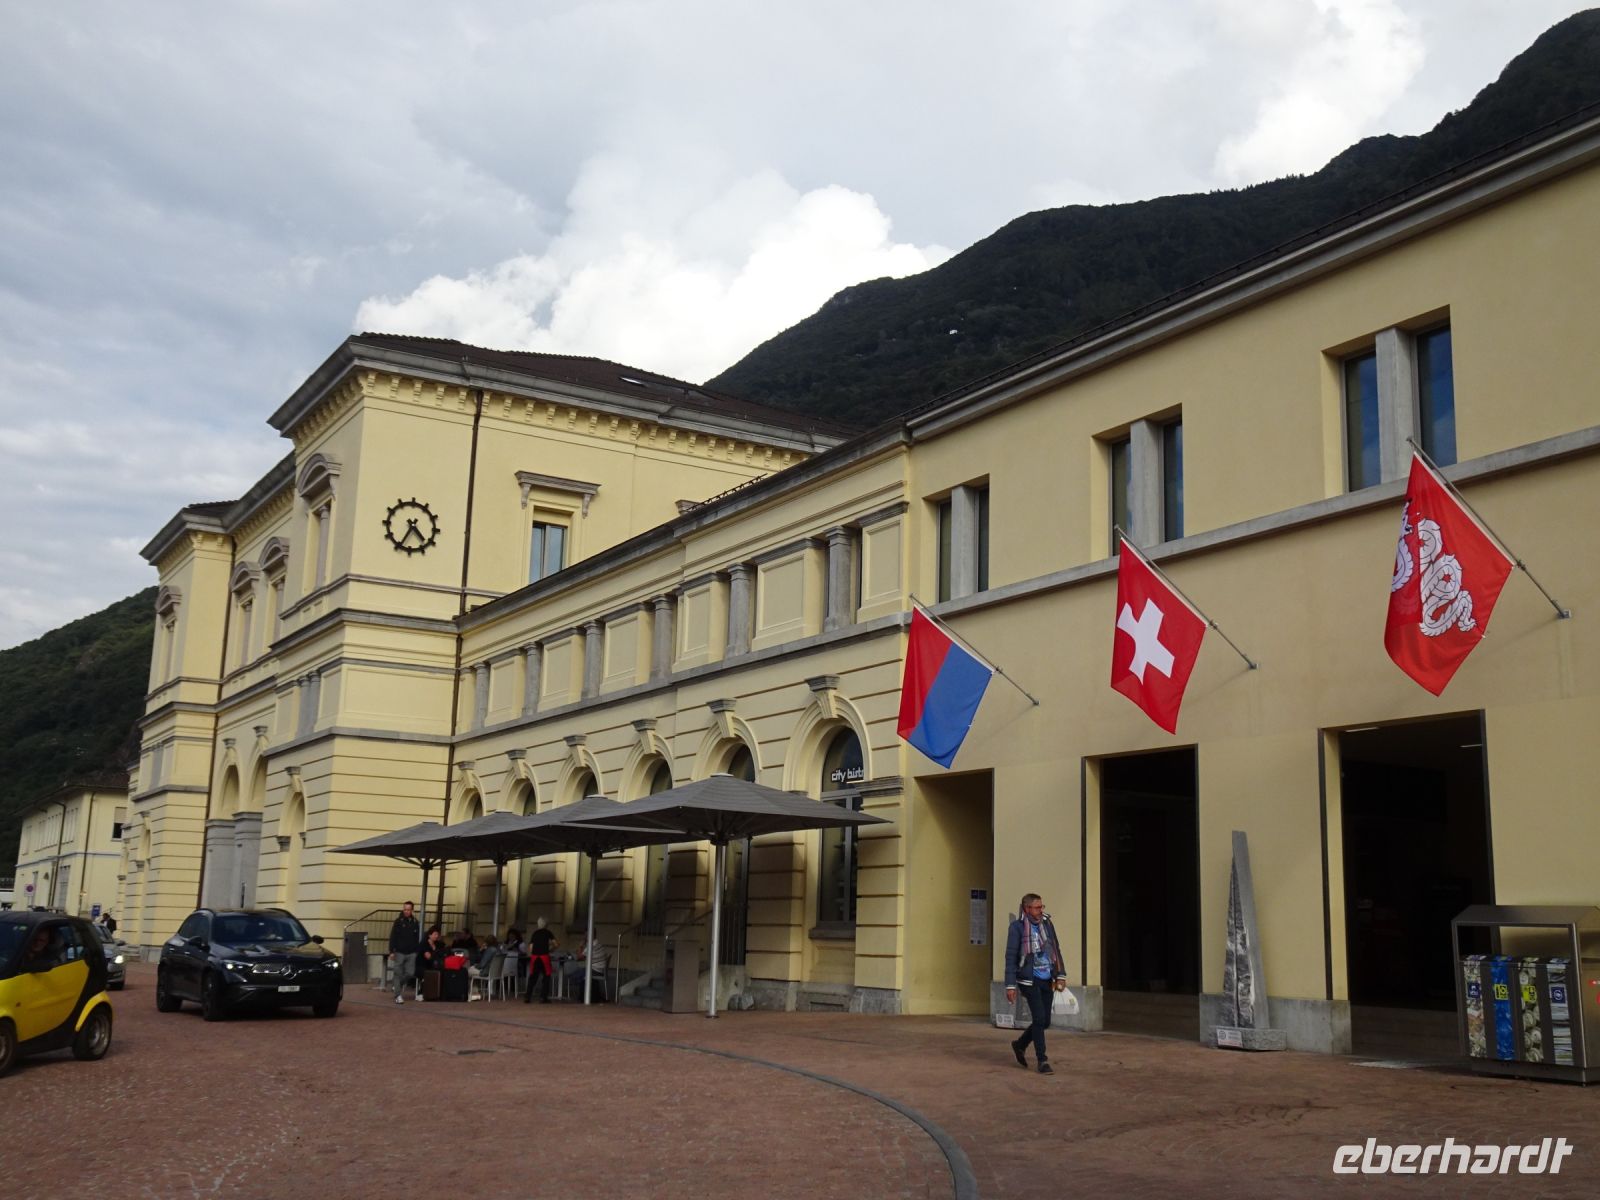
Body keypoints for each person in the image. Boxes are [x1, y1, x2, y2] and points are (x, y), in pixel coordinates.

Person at [1004, 893, 1067, 1075]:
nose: (1041, 911)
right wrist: (1010, 985)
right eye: (1037, 907)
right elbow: (1010, 957)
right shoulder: (1017, 928)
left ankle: (1020, 1044)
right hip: (1028, 979)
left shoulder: (1047, 924)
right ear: (1027, 909)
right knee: (1039, 1019)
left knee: (1045, 1021)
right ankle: (1042, 1060)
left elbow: (1055, 948)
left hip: (1047, 978)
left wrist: (1060, 974)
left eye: (1042, 907)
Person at [388, 901, 421, 1004]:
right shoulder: (398, 921)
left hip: (411, 952)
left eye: (408, 909)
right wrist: (391, 951)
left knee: (410, 973)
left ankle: (397, 985)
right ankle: (398, 995)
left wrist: (416, 951)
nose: (406, 911)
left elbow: (417, 938)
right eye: (405, 909)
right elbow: (393, 936)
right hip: (399, 952)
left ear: (412, 910)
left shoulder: (415, 922)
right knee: (398, 973)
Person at [523, 917, 558, 1004]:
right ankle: (543, 997)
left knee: (533, 977)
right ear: (546, 925)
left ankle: (527, 997)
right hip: (544, 957)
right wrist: (551, 949)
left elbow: (531, 948)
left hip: (535, 957)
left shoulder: (534, 933)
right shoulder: (548, 933)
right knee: (546, 977)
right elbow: (556, 944)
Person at [418, 924, 448, 996]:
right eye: (435, 934)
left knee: (444, 971)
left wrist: (434, 949)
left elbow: (443, 954)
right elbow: (429, 957)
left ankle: (440, 993)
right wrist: (435, 952)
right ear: (429, 935)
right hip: (422, 966)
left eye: (438, 934)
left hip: (434, 965)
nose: (437, 936)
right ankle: (424, 992)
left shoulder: (438, 944)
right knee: (430, 972)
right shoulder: (424, 943)